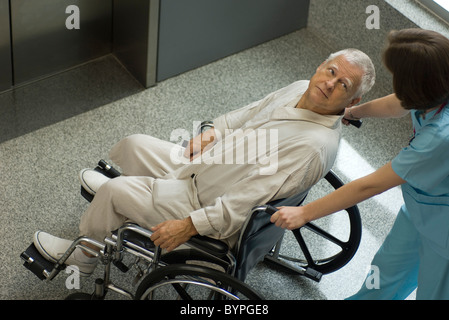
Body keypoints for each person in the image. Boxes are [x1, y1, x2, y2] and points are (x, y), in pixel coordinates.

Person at [33, 48, 375, 276]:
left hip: (207, 203)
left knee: (113, 191)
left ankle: (84, 255)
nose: (329, 83)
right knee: (133, 145)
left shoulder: (312, 146)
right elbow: (246, 114)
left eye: (342, 84)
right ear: (320, 65)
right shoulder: (299, 87)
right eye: (330, 71)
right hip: (212, 163)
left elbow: (247, 201)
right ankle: (130, 201)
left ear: (354, 99)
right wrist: (210, 132)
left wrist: (189, 226)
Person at [271, 28, 449, 300]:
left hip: (444, 231)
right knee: (384, 276)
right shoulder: (438, 82)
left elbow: (369, 187)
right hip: (421, 207)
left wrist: (305, 213)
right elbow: (399, 104)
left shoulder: (437, 139)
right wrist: (351, 111)